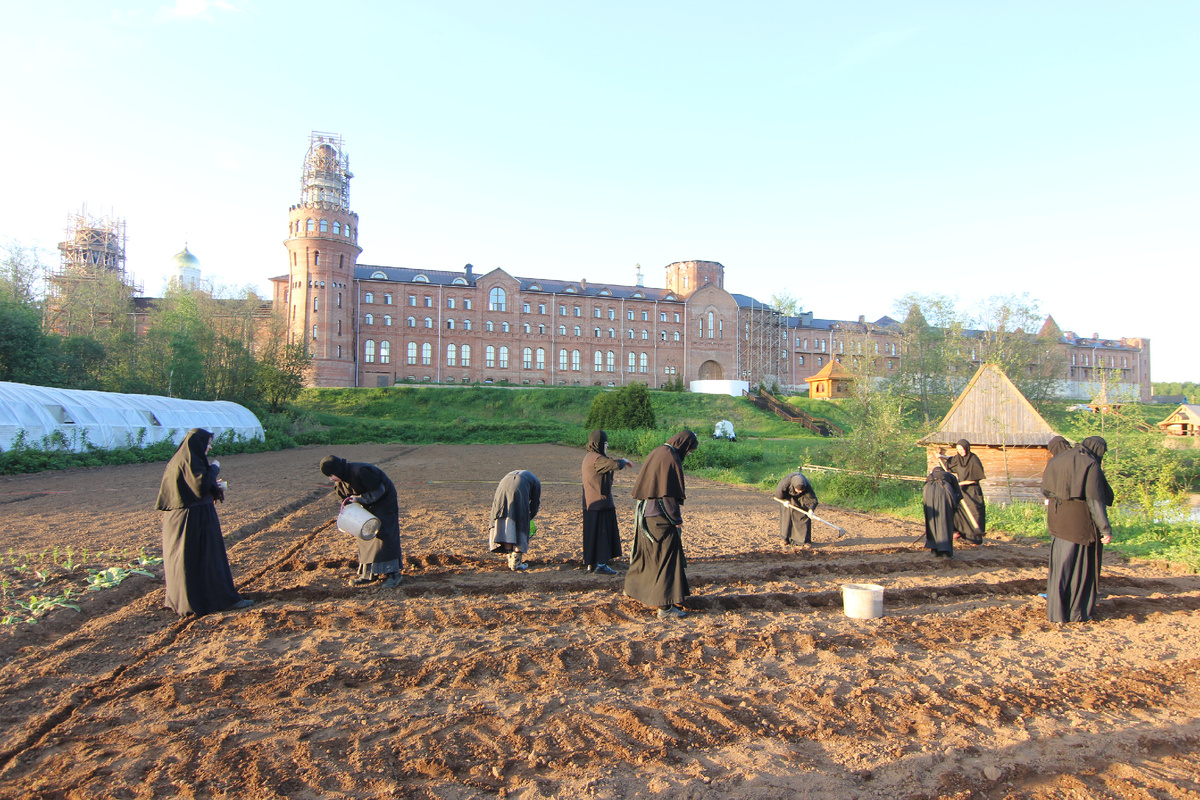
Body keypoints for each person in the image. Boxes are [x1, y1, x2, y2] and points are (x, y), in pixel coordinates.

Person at [156, 428, 252, 616]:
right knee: (207, 557)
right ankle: (219, 600)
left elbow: (193, 486)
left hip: (182, 518)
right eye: (207, 443)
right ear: (198, 444)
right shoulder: (191, 461)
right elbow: (199, 486)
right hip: (195, 518)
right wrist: (214, 468)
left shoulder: (180, 461)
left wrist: (212, 485)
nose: (209, 447)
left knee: (185, 558)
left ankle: (183, 599)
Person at [625, 430, 698, 619]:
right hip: (660, 517)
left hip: (646, 513)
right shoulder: (670, 457)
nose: (688, 454)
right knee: (667, 559)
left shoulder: (658, 451)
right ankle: (665, 608)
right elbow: (668, 493)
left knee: (648, 555)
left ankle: (633, 589)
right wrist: (676, 520)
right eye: (689, 451)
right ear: (683, 445)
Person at [1041, 436, 1114, 623]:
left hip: (1057, 521)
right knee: (1080, 568)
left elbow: (1046, 491)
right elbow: (1095, 500)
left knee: (1060, 567)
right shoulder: (1090, 463)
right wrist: (1105, 528)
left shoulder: (1057, 459)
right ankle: (1076, 613)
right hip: (1079, 525)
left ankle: (1056, 614)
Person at [320, 456, 404, 588]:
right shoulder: (340, 483)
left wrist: (359, 499)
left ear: (337, 470)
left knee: (384, 535)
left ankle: (393, 574)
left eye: (331, 474)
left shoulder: (361, 471)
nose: (331, 478)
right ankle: (368, 574)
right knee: (365, 534)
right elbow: (345, 501)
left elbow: (378, 491)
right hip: (365, 507)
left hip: (384, 504)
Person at [581, 430, 632, 575]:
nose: (607, 446)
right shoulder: (597, 459)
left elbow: (608, 464)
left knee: (592, 533)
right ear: (599, 444)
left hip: (590, 503)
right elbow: (614, 464)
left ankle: (592, 563)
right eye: (605, 443)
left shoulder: (589, 456)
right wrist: (624, 461)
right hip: (600, 503)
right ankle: (601, 565)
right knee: (602, 533)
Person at [490, 470, 541, 572]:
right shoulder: (536, 483)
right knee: (520, 523)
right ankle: (516, 563)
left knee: (504, 516)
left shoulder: (529, 477)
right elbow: (535, 504)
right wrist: (528, 518)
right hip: (518, 487)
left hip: (503, 484)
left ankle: (510, 558)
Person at [941, 439, 985, 544]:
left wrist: (960, 484)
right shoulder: (959, 458)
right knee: (958, 511)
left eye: (962, 449)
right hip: (961, 491)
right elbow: (952, 461)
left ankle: (974, 539)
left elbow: (975, 479)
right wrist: (942, 457)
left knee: (974, 513)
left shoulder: (974, 460)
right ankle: (959, 532)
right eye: (959, 449)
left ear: (967, 448)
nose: (961, 451)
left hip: (972, 491)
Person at [922, 466, 962, 559]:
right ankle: (945, 551)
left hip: (928, 491)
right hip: (944, 490)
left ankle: (934, 550)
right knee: (945, 519)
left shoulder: (929, 477)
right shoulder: (949, 476)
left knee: (931, 520)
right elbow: (958, 494)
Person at [774, 470, 819, 545]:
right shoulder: (785, 483)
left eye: (802, 490)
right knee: (787, 516)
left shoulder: (806, 485)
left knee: (803, 516)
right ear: (794, 486)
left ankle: (804, 540)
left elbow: (812, 499)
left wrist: (811, 509)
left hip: (802, 499)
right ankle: (785, 538)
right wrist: (784, 501)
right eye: (798, 490)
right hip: (787, 498)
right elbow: (778, 495)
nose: (800, 491)